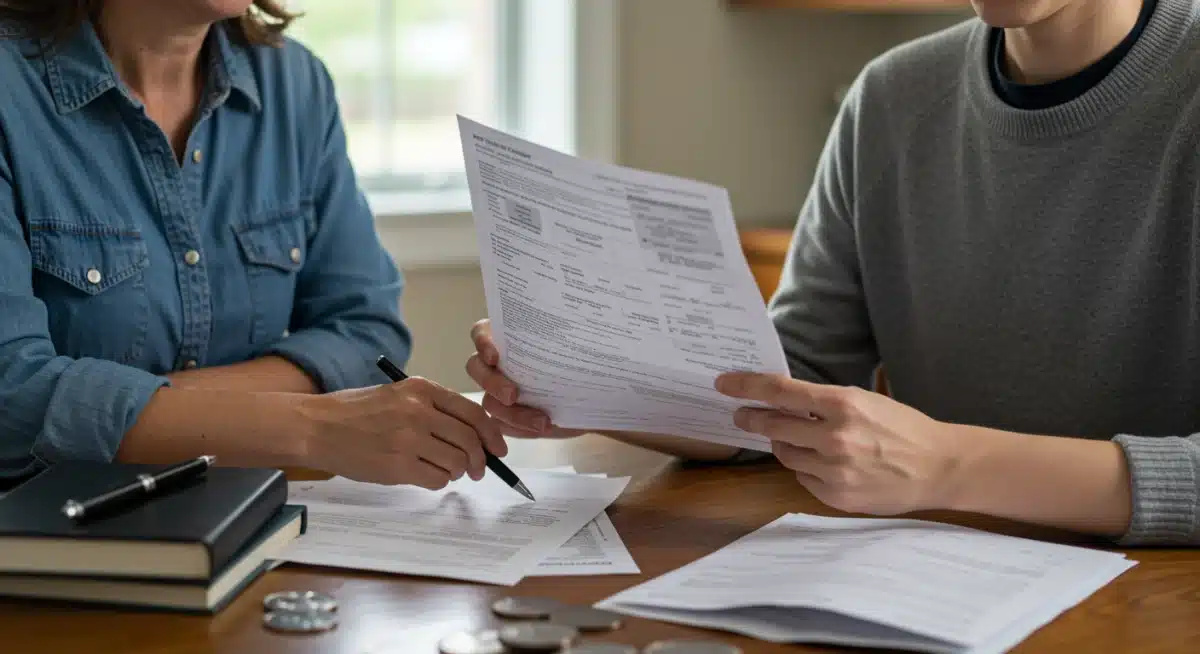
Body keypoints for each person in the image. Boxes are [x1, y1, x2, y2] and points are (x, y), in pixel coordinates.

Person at [468, 0, 1200, 546]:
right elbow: (796, 380)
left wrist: (949, 465)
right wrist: (590, 378)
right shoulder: (892, 96)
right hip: (936, 574)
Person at [0, 0, 506, 489]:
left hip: (251, 516)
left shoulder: (294, 84)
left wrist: (153, 412)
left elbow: (366, 332)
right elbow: (12, 398)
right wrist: (313, 426)